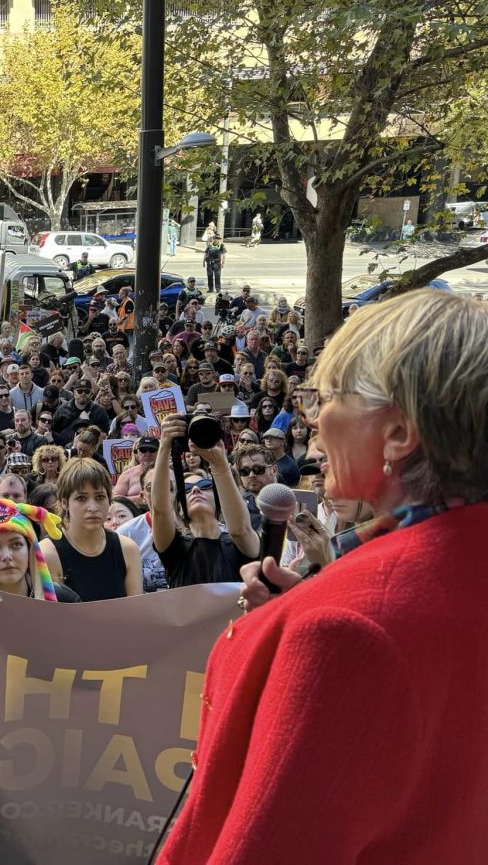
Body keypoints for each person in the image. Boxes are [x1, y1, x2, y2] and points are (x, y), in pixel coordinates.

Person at [162, 292, 488, 863]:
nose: (311, 416)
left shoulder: (347, 630)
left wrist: (306, 627)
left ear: (397, 434)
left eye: (328, 396)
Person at [149, 413, 260, 586]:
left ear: (219, 501)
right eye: (186, 489)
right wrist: (164, 446)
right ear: (179, 508)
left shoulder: (237, 544)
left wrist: (220, 464)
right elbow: (160, 512)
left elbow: (241, 529)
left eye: (206, 485)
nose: (195, 489)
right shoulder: (175, 549)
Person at [40, 459, 143, 600]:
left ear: (109, 500)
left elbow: (136, 612)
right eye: (81, 498)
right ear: (64, 502)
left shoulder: (127, 549)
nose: (92, 507)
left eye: (100, 497)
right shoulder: (47, 553)